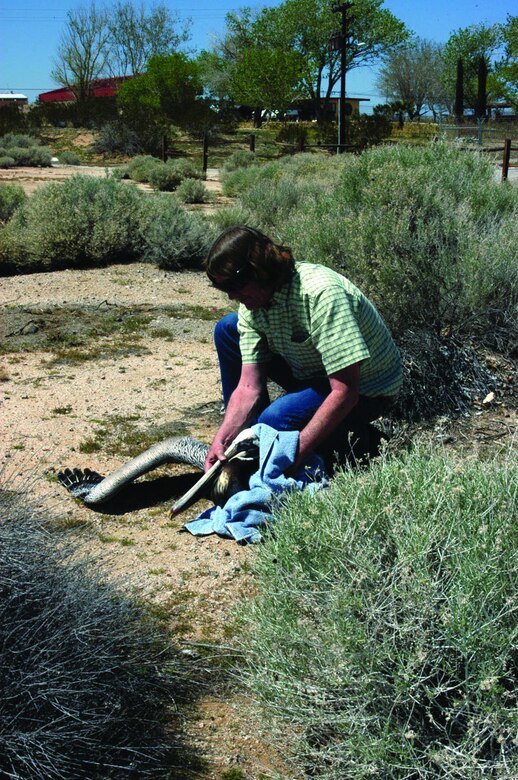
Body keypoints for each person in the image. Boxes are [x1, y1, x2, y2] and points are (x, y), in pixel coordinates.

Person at [204, 225, 402, 476]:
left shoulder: (321, 294)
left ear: (260, 268)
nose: (232, 295)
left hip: (367, 390)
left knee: (275, 421)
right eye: (223, 288)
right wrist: (226, 435)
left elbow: (346, 391)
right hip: (313, 370)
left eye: (236, 284)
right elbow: (248, 387)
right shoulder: (253, 304)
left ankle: (361, 440)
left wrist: (296, 452)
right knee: (228, 329)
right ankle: (251, 443)